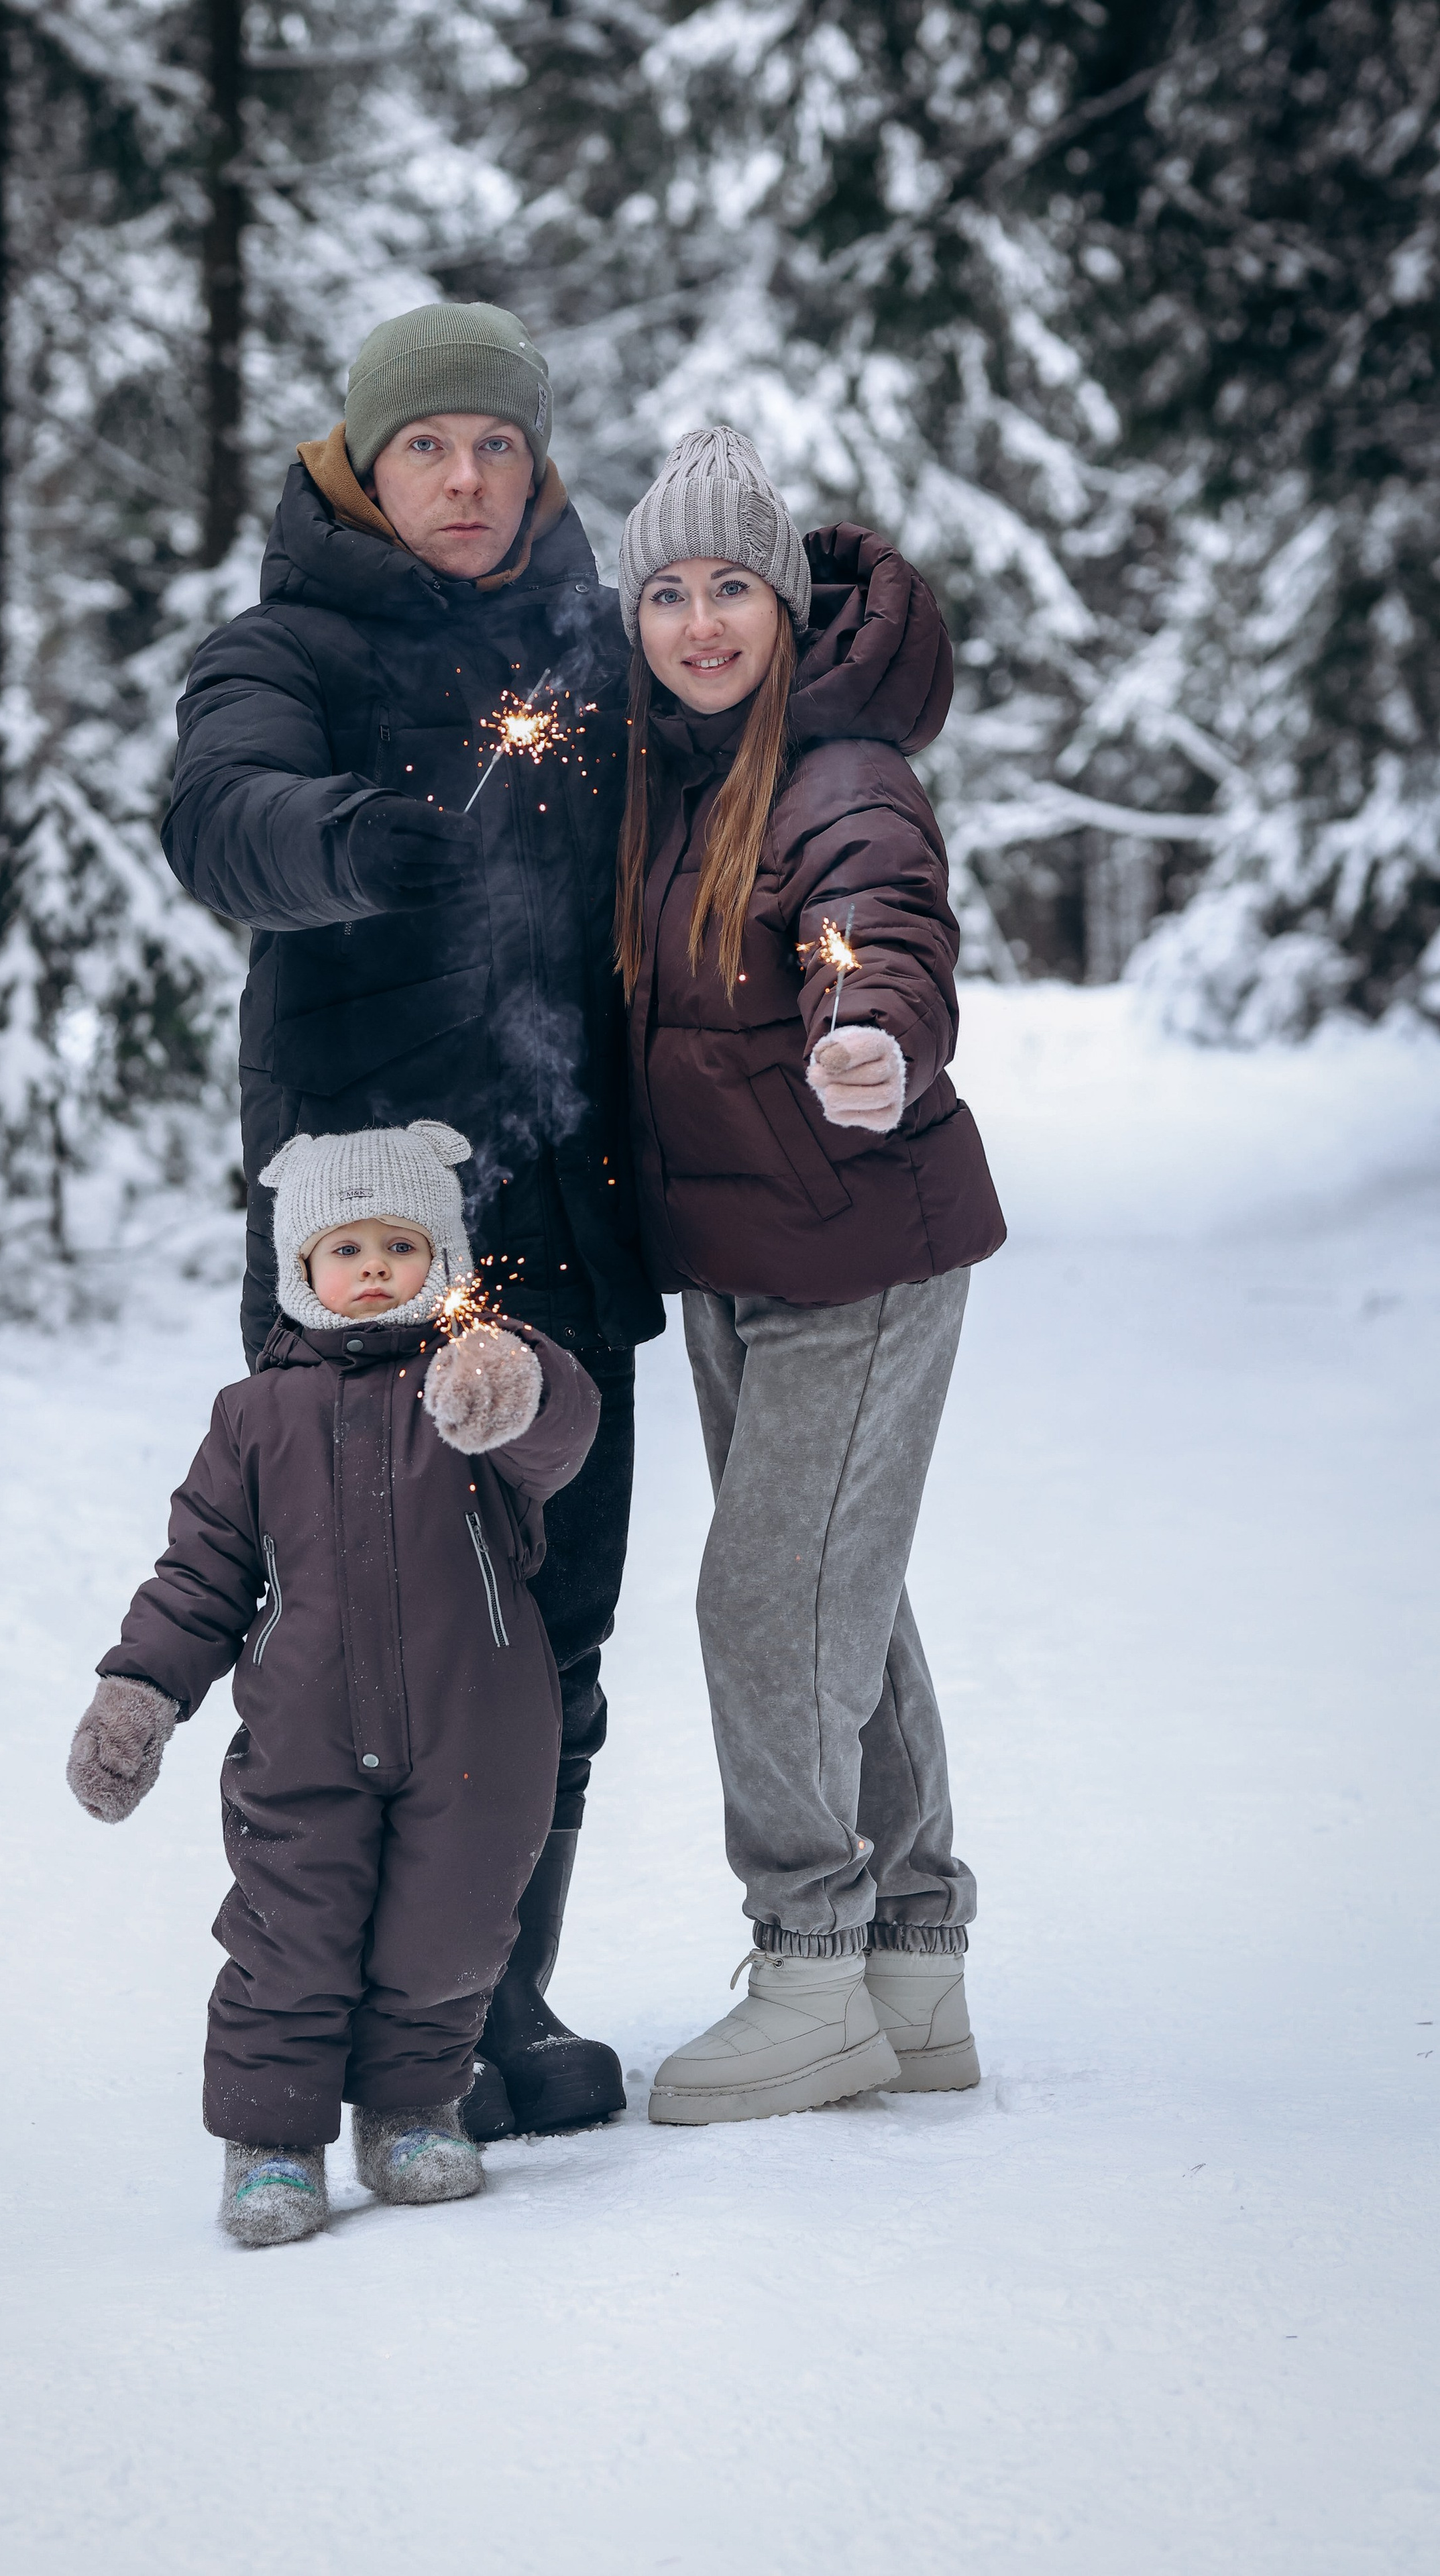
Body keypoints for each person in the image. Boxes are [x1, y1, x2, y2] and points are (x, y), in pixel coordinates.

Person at [160, 304, 663, 2138]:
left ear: (538, 470)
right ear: (365, 469)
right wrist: (348, 838)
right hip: (372, 1253)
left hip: (570, 1214)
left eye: (499, 447)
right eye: (428, 447)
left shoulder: (600, 659)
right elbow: (218, 812)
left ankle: (489, 2013)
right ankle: (342, 2039)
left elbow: (757, 726)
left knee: (561, 1650)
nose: (465, 478)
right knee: (365, 1666)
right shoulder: (280, 648)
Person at [613, 429, 1007, 2125]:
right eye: (667, 593)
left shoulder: (840, 778)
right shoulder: (667, 773)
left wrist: (873, 1039)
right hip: (736, 1259)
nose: (700, 624)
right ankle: (911, 1968)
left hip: (851, 1254)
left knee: (766, 1607)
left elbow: (882, 934)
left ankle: (810, 1972)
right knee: (845, 1603)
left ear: (783, 606)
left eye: (730, 591)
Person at [65, 1120, 600, 2244]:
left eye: (397, 1246)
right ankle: (270, 2144)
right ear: (301, 1271)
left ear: (440, 1259)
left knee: (447, 1934)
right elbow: (201, 1570)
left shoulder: (474, 1384)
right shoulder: (256, 1415)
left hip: (478, 1732)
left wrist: (523, 1386)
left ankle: (413, 2112)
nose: (370, 1270)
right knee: (286, 1936)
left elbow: (559, 1438)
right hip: (303, 1734)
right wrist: (140, 1691)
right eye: (342, 1249)